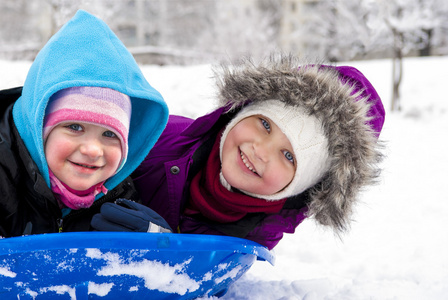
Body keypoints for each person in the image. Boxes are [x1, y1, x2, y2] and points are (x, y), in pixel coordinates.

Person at [93, 55, 385, 250]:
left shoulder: (262, 228)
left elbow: (209, 279)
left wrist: (165, 246)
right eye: (265, 125)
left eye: (289, 156)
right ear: (242, 113)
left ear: (300, 185)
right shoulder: (155, 141)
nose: (260, 151)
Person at [0, 10, 168, 237]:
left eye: (109, 134)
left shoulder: (119, 194)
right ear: (38, 127)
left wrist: (157, 246)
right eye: (75, 127)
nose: (92, 150)